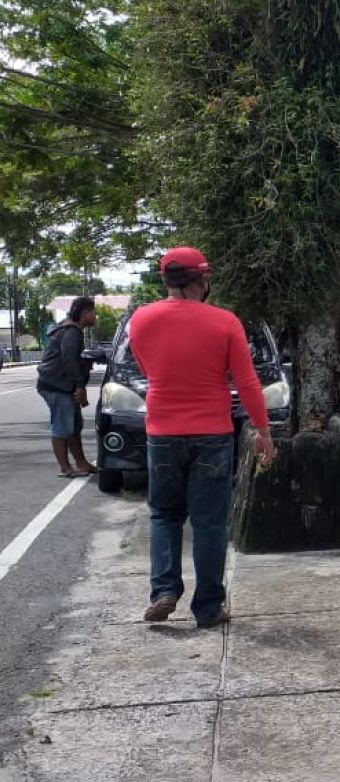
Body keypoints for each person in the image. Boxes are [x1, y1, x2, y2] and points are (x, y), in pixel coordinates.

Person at [129, 246, 275, 629]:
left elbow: (147, 368)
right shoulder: (225, 321)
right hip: (212, 432)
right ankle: (208, 608)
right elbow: (245, 382)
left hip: (161, 431)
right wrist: (263, 431)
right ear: (202, 279)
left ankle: (164, 589)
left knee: (164, 514)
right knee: (210, 522)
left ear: (166, 280)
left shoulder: (140, 320)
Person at [37, 297, 98, 477]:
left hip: (59, 384)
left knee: (73, 425)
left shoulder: (67, 327)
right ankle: (65, 468)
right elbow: (69, 360)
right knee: (63, 426)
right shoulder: (72, 331)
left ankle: (81, 463)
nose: (95, 316)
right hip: (56, 385)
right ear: (85, 313)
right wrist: (80, 386)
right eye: (93, 312)